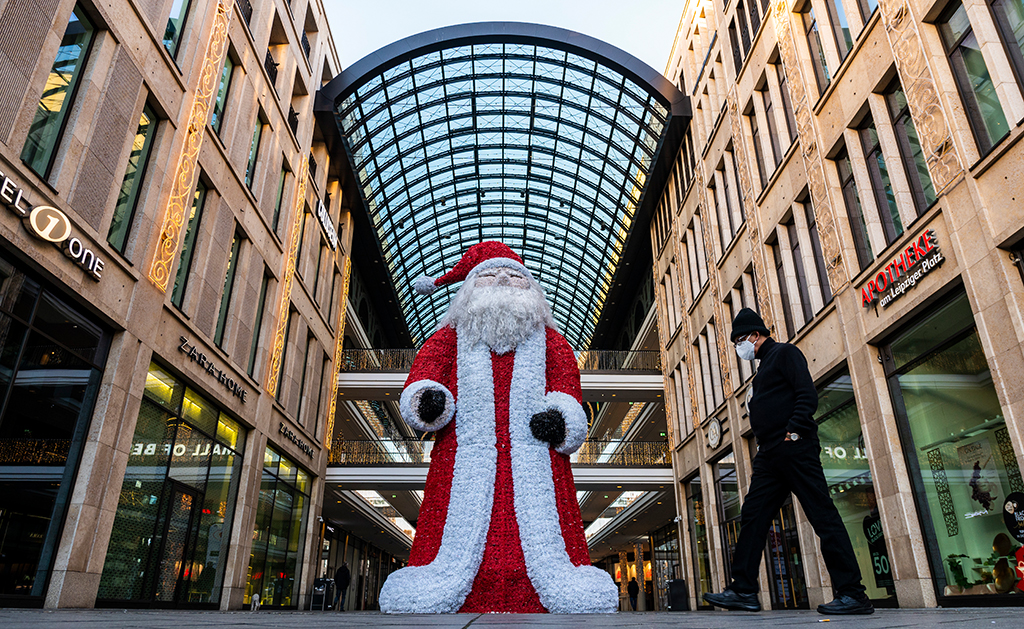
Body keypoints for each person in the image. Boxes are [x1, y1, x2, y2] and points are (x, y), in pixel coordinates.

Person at [378, 241, 618, 613]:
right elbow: (423, 381)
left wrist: (560, 415)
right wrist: (430, 400)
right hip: (463, 460)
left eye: (516, 276)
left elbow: (568, 390)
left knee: (544, 540)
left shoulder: (553, 342)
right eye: (489, 276)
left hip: (536, 462)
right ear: (469, 291)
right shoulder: (447, 339)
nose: (504, 279)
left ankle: (547, 585)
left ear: (532, 289)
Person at [702, 308, 874, 615]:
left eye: (739, 341)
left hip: (794, 449)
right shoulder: (763, 368)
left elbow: (806, 394)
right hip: (769, 456)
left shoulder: (784, 353)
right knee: (753, 516)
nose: (738, 348)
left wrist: (793, 432)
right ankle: (742, 590)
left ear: (754, 335)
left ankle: (853, 594)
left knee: (823, 516)